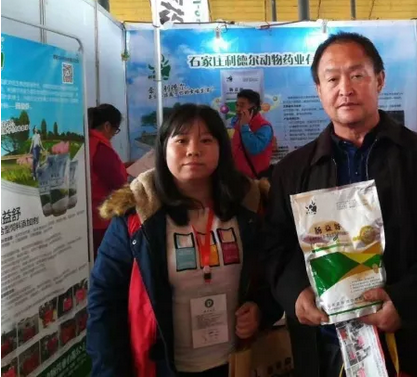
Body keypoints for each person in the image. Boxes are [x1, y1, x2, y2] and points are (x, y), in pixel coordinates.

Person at [264, 32, 417, 377]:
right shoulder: (292, 170)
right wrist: (294, 293)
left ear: (379, 80)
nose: (345, 88)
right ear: (319, 90)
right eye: (332, 79)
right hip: (325, 342)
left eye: (357, 75)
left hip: (409, 334)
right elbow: (275, 245)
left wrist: (405, 301)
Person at [86, 104, 282, 377]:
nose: (193, 150)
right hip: (162, 367)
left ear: (222, 149)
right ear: (163, 148)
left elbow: (275, 273)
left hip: (236, 364)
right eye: (181, 140)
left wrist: (261, 309)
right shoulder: (137, 214)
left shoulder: (251, 206)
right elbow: (105, 300)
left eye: (206, 140)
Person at [88, 104, 128, 256]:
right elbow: (118, 183)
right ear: (107, 126)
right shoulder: (101, 148)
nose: (113, 135)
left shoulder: (88, 141)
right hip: (102, 217)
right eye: (115, 130)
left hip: (90, 215)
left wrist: (125, 166)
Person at [231, 89, 274, 180]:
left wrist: (245, 126)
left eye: (242, 105)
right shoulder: (238, 123)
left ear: (254, 108)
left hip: (255, 180)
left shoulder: (264, 127)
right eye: (237, 105)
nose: (238, 109)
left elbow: (254, 148)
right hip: (238, 177)